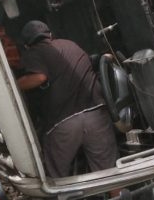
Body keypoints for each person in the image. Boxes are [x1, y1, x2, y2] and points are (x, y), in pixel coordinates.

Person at [15, 20, 118, 179]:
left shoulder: (34, 52)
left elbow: (39, 77)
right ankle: (119, 196)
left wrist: (13, 84)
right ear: (50, 34)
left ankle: (62, 196)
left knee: (56, 179)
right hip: (96, 115)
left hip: (64, 123)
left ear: (27, 45)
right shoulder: (70, 44)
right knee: (109, 174)